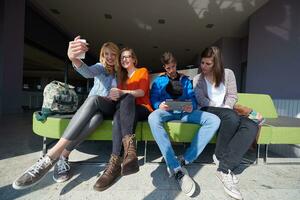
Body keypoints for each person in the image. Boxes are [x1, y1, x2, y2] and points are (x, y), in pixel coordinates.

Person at [13, 36, 121, 190]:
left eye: (113, 54)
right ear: (102, 56)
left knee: (94, 100)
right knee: (95, 119)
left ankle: (51, 155)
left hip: (108, 107)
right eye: (106, 54)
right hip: (95, 110)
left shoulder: (119, 72)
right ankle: (63, 157)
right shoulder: (100, 67)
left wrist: (117, 94)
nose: (110, 57)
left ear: (117, 56)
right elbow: (87, 72)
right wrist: (74, 59)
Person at [148, 52, 220, 197]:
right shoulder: (158, 81)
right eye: (168, 68)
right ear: (164, 67)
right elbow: (153, 99)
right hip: (167, 112)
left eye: (173, 66)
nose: (171, 70)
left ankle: (186, 158)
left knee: (214, 120)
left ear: (176, 64)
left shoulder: (186, 80)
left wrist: (190, 105)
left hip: (185, 112)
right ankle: (175, 166)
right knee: (152, 117)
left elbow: (192, 97)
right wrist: (159, 105)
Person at [193, 46, 258, 200]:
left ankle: (224, 167)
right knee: (230, 117)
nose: (204, 67)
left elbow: (232, 95)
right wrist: (224, 110)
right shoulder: (197, 79)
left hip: (227, 111)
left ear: (216, 63)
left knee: (251, 125)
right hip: (208, 109)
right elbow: (201, 100)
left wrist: (227, 107)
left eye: (208, 64)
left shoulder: (228, 74)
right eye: (202, 63)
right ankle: (220, 157)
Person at [93, 47, 152, 191]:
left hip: (142, 108)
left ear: (134, 59)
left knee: (128, 97)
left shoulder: (142, 71)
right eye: (122, 58)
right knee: (119, 113)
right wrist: (112, 95)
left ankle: (124, 155)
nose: (124, 59)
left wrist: (122, 92)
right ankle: (120, 159)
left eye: (127, 57)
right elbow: (118, 95)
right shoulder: (122, 77)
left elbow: (141, 92)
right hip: (125, 111)